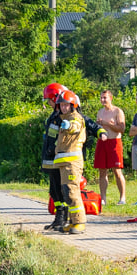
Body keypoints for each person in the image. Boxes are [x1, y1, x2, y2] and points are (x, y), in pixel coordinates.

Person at [54, 90, 87, 234]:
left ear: (72, 105)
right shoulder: (63, 119)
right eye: (61, 105)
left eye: (66, 105)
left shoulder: (75, 118)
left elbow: (75, 127)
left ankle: (79, 222)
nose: (63, 108)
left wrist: (69, 126)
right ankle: (73, 221)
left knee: (72, 192)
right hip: (65, 163)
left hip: (72, 163)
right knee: (67, 193)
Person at [41, 83, 69, 231]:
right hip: (50, 158)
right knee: (53, 190)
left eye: (49, 100)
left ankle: (63, 218)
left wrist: (54, 148)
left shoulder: (63, 117)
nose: (48, 103)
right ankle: (58, 217)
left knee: (60, 188)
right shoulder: (54, 115)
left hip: (57, 158)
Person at [94, 89, 127, 206]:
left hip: (114, 142)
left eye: (105, 98)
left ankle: (122, 197)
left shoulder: (117, 111)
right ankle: (103, 198)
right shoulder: (100, 112)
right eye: (101, 98)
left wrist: (107, 124)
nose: (102, 100)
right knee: (102, 171)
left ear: (110, 98)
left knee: (117, 171)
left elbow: (122, 129)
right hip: (102, 142)